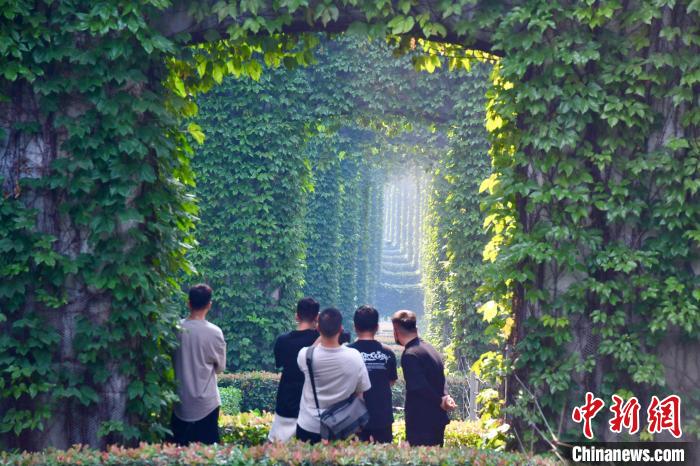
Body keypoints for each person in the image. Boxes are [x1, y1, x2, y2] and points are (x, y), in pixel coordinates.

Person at [296, 307, 371, 444]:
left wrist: (322, 331)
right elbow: (360, 394)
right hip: (342, 425)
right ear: (341, 329)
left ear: (318, 328)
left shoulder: (305, 355)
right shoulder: (354, 356)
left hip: (309, 425)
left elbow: (312, 349)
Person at [391, 309, 456, 447]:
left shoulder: (410, 355)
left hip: (421, 422)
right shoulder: (430, 349)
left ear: (396, 330)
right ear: (416, 327)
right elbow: (440, 379)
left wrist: (440, 401)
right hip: (436, 419)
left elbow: (418, 387)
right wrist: (444, 397)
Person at [171, 284, 226, 445]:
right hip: (207, 403)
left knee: (177, 453)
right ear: (209, 304)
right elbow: (220, 368)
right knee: (208, 454)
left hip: (180, 401)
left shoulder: (176, 329)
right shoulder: (215, 332)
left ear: (188, 303)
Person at [268, 297, 321, 442]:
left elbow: (279, 363)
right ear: (317, 317)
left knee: (280, 450)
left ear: (296, 315)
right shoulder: (319, 340)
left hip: (286, 399)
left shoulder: (282, 340)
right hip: (311, 401)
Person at [348, 305, 398, 443]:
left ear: (354, 326)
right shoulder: (388, 353)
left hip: (353, 419)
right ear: (377, 327)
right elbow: (391, 381)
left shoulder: (346, 353)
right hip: (382, 417)